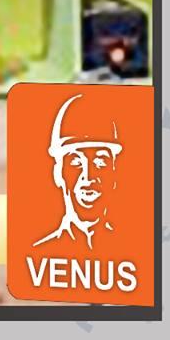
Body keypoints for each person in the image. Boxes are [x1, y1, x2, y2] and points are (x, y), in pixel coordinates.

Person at [33, 93, 123, 250]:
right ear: (58, 173)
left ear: (115, 173)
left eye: (100, 162)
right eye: (76, 162)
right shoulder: (39, 253)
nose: (88, 178)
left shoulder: (139, 250)